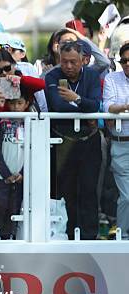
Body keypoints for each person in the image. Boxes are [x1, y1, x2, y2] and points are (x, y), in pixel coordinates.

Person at [45, 40, 102, 240]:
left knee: (88, 189)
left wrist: (76, 98)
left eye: (73, 62)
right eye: (64, 61)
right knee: (64, 189)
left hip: (89, 141)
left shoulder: (93, 75)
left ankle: (89, 236)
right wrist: (84, 108)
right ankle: (67, 235)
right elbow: (57, 105)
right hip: (63, 141)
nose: (68, 66)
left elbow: (96, 105)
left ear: (83, 60)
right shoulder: (52, 75)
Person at [0, 86, 30, 239]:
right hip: (1, 177)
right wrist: (6, 174)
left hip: (21, 177)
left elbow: (32, 152)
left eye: (19, 103)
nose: (15, 107)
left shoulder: (30, 125)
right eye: (12, 103)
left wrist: (22, 174)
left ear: (26, 104)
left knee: (15, 210)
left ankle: (11, 239)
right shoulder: (0, 124)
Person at [103, 42, 129, 239]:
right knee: (127, 196)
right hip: (121, 142)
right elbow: (108, 107)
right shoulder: (112, 78)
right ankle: (123, 236)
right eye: (124, 61)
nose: (128, 64)